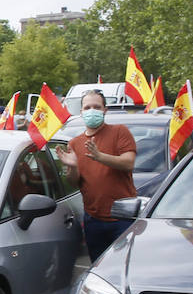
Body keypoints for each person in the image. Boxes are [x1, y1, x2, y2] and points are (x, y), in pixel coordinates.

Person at [55, 90, 138, 260]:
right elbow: (73, 182)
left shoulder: (119, 132)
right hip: (94, 219)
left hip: (122, 219)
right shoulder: (75, 143)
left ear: (105, 110)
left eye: (96, 107)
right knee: (98, 268)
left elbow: (128, 162)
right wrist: (73, 167)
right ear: (81, 112)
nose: (91, 111)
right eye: (87, 107)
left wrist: (100, 157)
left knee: (123, 266)